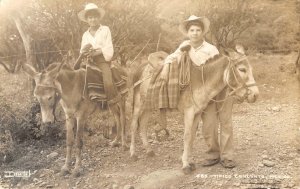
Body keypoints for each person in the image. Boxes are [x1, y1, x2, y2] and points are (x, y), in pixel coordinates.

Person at [160, 15, 236, 168]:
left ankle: (227, 156)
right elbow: (173, 57)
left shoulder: (210, 49)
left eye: (198, 30)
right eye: (192, 30)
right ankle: (213, 154)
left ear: (203, 32)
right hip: (199, 92)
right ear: (187, 32)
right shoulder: (185, 44)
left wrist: (191, 54)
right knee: (207, 126)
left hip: (215, 90)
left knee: (218, 122)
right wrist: (166, 65)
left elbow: (210, 69)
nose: (195, 33)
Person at [75, 3, 121, 105]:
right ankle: (83, 103)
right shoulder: (85, 35)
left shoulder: (105, 30)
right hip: (88, 60)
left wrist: (95, 53)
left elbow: (108, 47)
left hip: (102, 60)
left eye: (95, 17)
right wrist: (86, 53)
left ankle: (111, 101)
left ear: (99, 18)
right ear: (87, 20)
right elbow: (82, 50)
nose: (93, 20)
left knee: (108, 82)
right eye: (90, 18)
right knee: (77, 78)